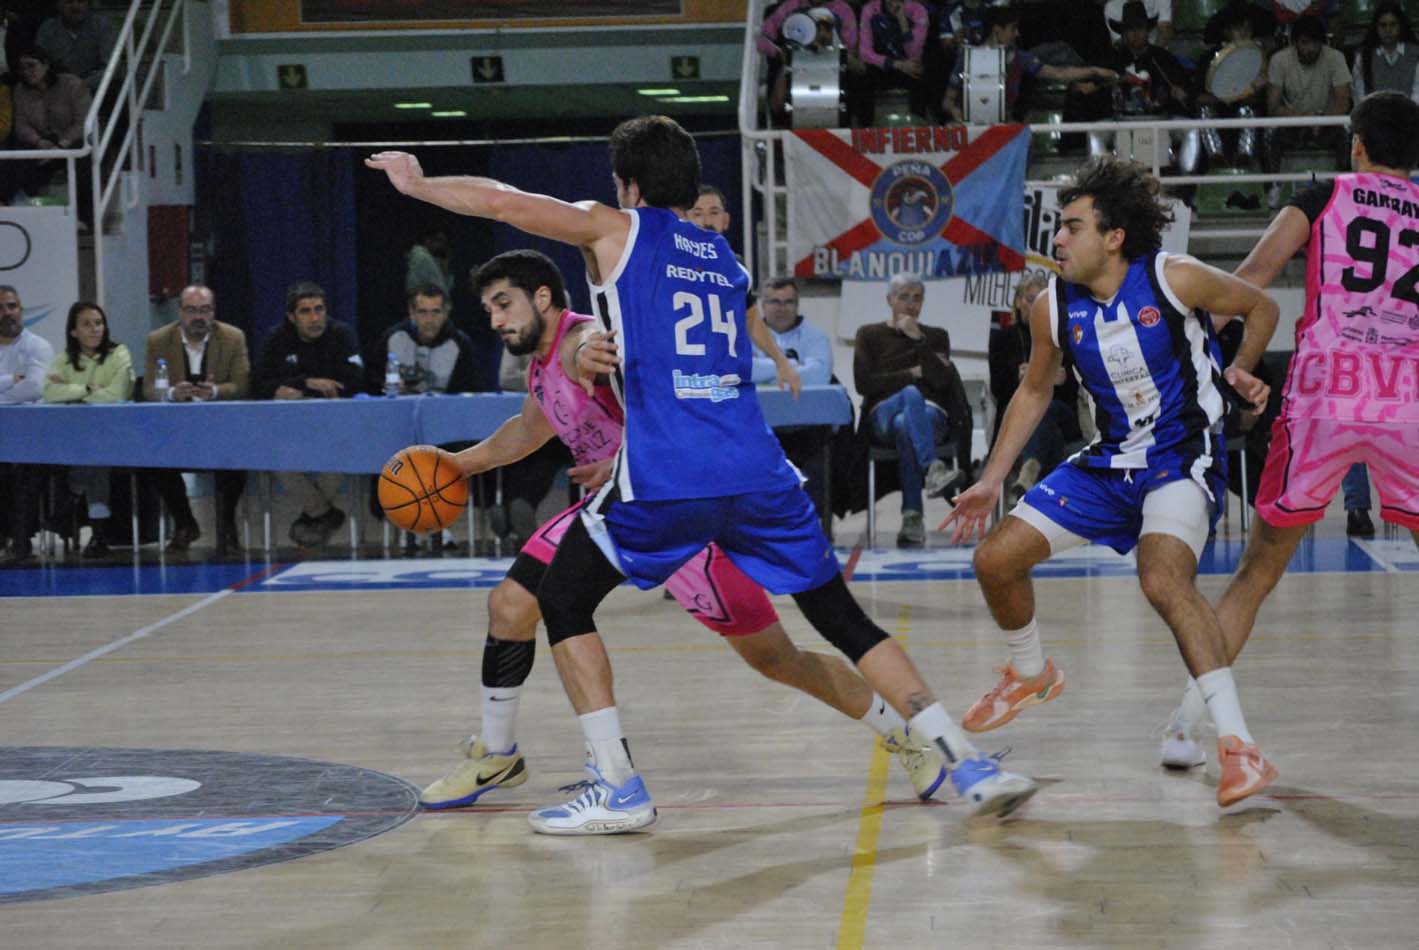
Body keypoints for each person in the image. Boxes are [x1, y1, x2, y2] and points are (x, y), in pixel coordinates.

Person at [368, 115, 1038, 836]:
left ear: (625, 184)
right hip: (757, 471)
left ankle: (617, 785)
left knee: (567, 602)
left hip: (668, 476)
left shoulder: (615, 231)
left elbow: (505, 204)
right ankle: (963, 760)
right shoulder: (724, 259)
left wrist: (420, 183)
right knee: (842, 618)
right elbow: (604, 352)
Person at [419, 249, 949, 810]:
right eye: (489, 309)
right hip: (615, 510)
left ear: (542, 298)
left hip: (677, 510)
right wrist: (460, 465)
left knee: (777, 659)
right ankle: (501, 754)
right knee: (512, 605)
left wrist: (628, 451)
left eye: (504, 304)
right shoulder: (543, 362)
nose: (495, 319)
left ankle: (907, 734)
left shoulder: (586, 343)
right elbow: (530, 428)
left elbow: (640, 383)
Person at [943, 156, 1282, 809]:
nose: (1058, 240)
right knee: (994, 559)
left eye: (1071, 227)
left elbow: (1259, 305)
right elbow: (1035, 388)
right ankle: (1030, 673)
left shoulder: (1173, 276)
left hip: (1181, 459)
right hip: (1109, 461)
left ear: (1113, 235)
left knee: (1161, 580)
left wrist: (1240, 368)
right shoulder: (1050, 307)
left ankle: (1238, 745)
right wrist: (991, 478)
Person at [1162, 91, 1419, 764]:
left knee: (1256, 573)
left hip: (1323, 393)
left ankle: (1186, 729)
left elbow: (1248, 280)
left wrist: (1182, 349)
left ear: (1356, 145)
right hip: (1407, 399)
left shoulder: (1322, 195)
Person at [853, 272, 970, 547]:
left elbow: (941, 381)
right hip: (882, 412)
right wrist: (911, 374)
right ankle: (931, 468)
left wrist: (919, 340)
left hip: (930, 415)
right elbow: (864, 384)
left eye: (917, 298)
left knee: (906, 425)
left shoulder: (936, 337)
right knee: (909, 394)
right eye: (904, 297)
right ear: (889, 300)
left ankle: (912, 518)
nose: (910, 304)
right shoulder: (869, 334)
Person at [252, 281, 364, 548]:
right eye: (305, 311)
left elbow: (357, 381)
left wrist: (292, 385)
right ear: (291, 317)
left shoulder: (342, 335)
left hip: (334, 429)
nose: (315, 318)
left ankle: (313, 516)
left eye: (319, 309)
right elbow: (258, 385)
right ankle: (326, 514)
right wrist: (308, 383)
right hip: (289, 431)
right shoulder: (276, 339)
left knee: (340, 460)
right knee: (278, 462)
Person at [143, 284, 251, 553]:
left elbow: (243, 385)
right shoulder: (158, 340)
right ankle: (185, 522)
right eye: (192, 310)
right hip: (176, 431)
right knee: (152, 459)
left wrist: (214, 391)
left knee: (237, 457)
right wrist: (170, 393)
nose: (198, 317)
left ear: (213, 312)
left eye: (204, 310)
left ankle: (226, 523)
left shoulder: (233, 337)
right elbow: (148, 390)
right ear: (180, 312)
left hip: (220, 430)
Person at [42, 300, 133, 557]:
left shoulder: (119, 354)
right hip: (76, 439)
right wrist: (85, 389)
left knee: (95, 456)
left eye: (99, 323)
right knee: (94, 458)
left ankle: (70, 501)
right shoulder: (64, 360)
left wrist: (72, 395)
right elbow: (49, 392)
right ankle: (98, 535)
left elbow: (117, 394)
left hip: (118, 435)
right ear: (73, 332)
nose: (95, 329)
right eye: (87, 324)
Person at [944, 5, 1118, 125]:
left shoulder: (1019, 58)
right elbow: (947, 101)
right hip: (970, 130)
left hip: (1005, 129)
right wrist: (955, 112)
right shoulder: (966, 59)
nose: (1017, 34)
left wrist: (1094, 70)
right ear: (997, 30)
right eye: (1013, 28)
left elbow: (1059, 73)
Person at [1263, 15, 1350, 207]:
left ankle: (1344, 187)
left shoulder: (1336, 58)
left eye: (1315, 43)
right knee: (1269, 130)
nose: (1310, 48)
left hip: (1327, 123)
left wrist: (1323, 120)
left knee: (1348, 131)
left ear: (1323, 43)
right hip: (1293, 123)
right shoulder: (1279, 60)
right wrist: (1303, 118)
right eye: (1304, 43)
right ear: (1295, 43)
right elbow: (1273, 106)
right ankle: (1275, 185)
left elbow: (1343, 101)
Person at [0, 284, 53, 564]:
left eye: (12, 306)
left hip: (29, 436)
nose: (7, 313)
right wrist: (11, 381)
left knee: (23, 473)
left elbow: (34, 388)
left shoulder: (38, 346)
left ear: (21, 310)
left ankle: (20, 543)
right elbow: (20, 387)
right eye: (1, 308)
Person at [366, 284, 478, 396]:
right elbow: (371, 381)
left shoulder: (461, 344)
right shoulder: (392, 338)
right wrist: (386, 387)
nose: (429, 320)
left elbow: (470, 391)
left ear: (446, 313)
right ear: (411, 313)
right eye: (422, 312)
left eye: (436, 312)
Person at [34, 0, 114, 92]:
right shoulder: (47, 28)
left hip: (96, 88)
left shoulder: (101, 25)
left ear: (88, 4)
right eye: (68, 2)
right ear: (59, 5)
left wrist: (83, 84)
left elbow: (111, 65)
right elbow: (39, 62)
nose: (75, 6)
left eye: (80, 1)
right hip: (59, 88)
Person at [1351, 2, 1419, 102]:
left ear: (1401, 26)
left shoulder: (1415, 53)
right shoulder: (1364, 55)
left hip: (1409, 114)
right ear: (1376, 27)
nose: (1388, 30)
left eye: (1393, 24)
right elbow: (1359, 95)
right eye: (1383, 25)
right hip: (1373, 114)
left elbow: (1417, 94)